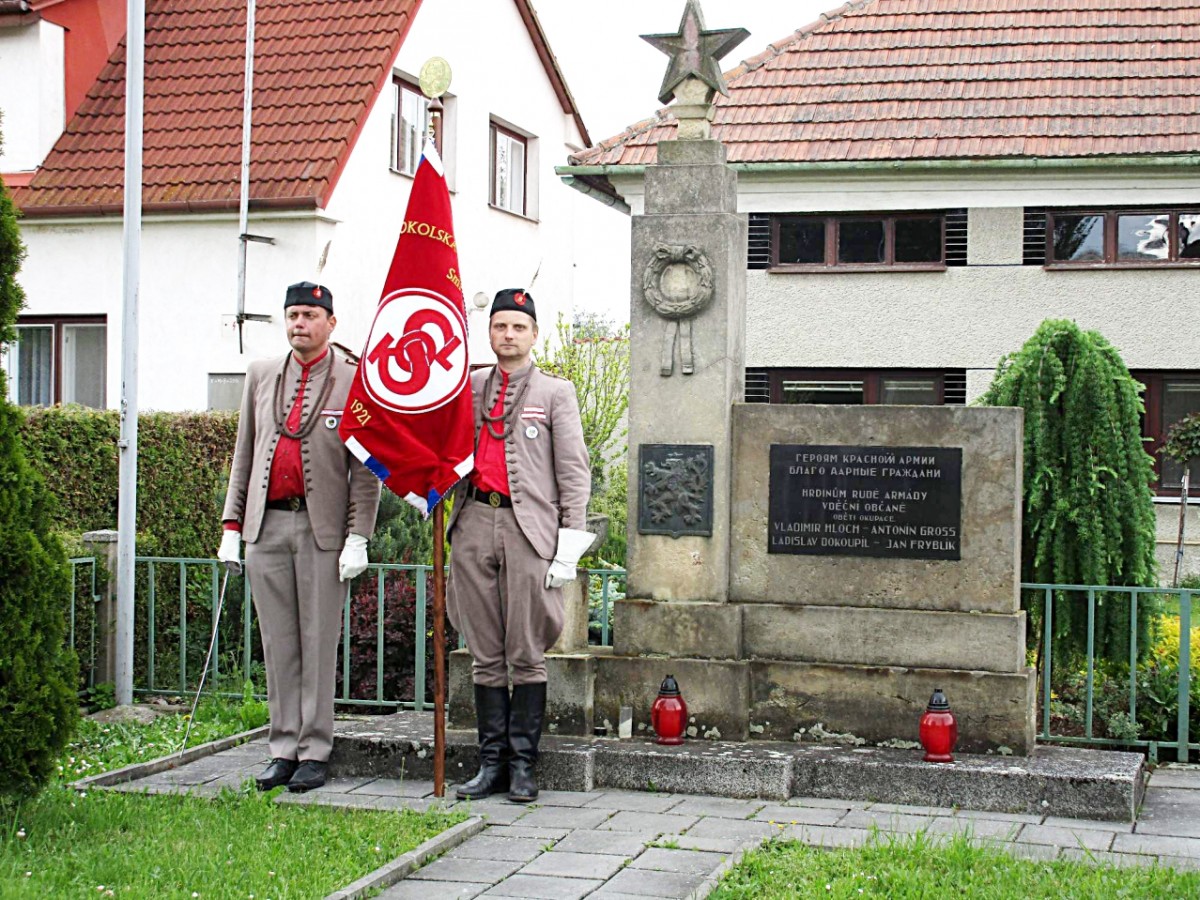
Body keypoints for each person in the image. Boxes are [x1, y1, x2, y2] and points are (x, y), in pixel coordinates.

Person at [218, 281, 381, 793]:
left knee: (317, 642)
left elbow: (366, 468)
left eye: (310, 315)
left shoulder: (355, 379)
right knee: (278, 641)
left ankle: (315, 749)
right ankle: (282, 746)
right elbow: (244, 454)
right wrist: (231, 525)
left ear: (331, 323)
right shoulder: (261, 375)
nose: (299, 324)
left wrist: (359, 535)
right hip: (266, 526)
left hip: (321, 529)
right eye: (292, 314)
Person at [447, 288, 593, 803]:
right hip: (472, 522)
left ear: (533, 334)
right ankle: (492, 766)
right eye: (500, 326)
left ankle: (525, 765)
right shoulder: (467, 387)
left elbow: (574, 473)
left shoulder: (556, 392)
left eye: (518, 327)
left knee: (527, 653)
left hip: (529, 530)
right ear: (489, 332)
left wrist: (569, 544)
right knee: (484, 653)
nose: (508, 335)